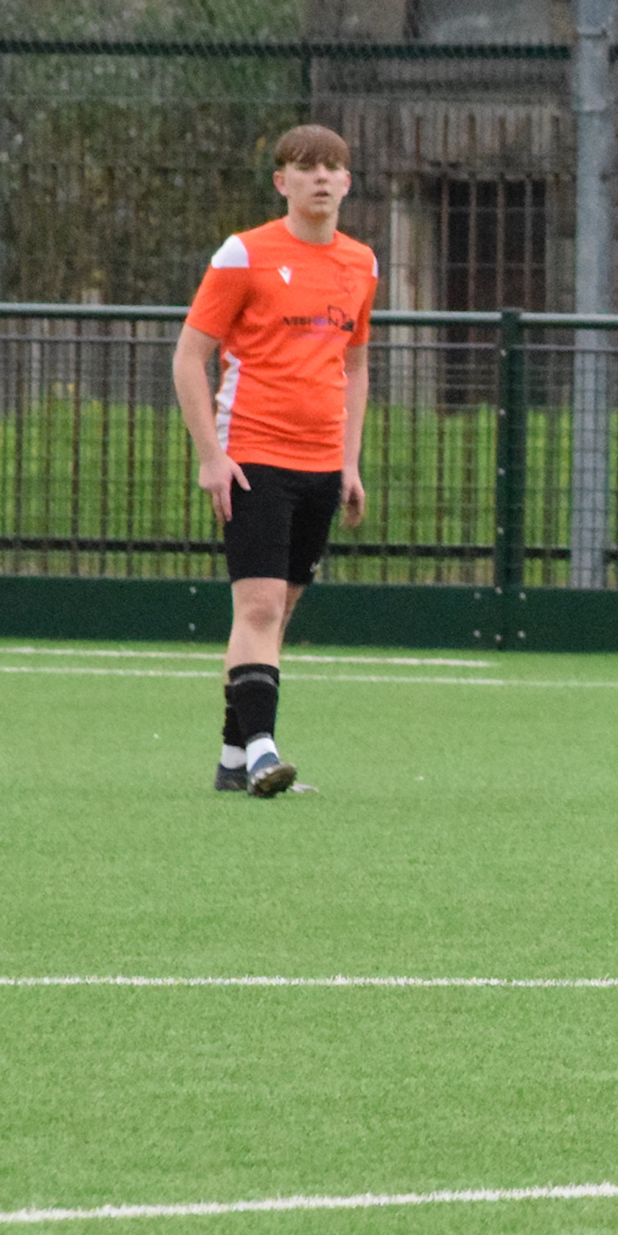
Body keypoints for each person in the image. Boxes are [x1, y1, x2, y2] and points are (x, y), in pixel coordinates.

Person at [171, 125, 376, 797]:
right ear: (281, 181)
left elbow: (354, 362)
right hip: (254, 455)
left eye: (332, 168)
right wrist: (211, 456)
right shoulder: (244, 255)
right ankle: (262, 750)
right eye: (304, 167)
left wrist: (349, 463)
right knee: (257, 610)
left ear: (347, 182)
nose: (320, 178)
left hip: (320, 464)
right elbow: (189, 357)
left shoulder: (361, 264)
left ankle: (233, 761)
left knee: (277, 614)